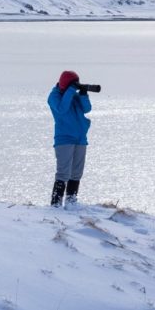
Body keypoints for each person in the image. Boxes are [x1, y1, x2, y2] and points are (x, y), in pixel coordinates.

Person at [47, 70, 92, 208]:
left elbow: (87, 108)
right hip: (64, 139)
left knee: (77, 172)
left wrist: (83, 94)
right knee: (63, 172)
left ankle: (71, 201)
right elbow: (62, 109)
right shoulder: (54, 96)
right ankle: (56, 203)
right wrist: (71, 91)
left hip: (80, 138)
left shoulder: (73, 95)